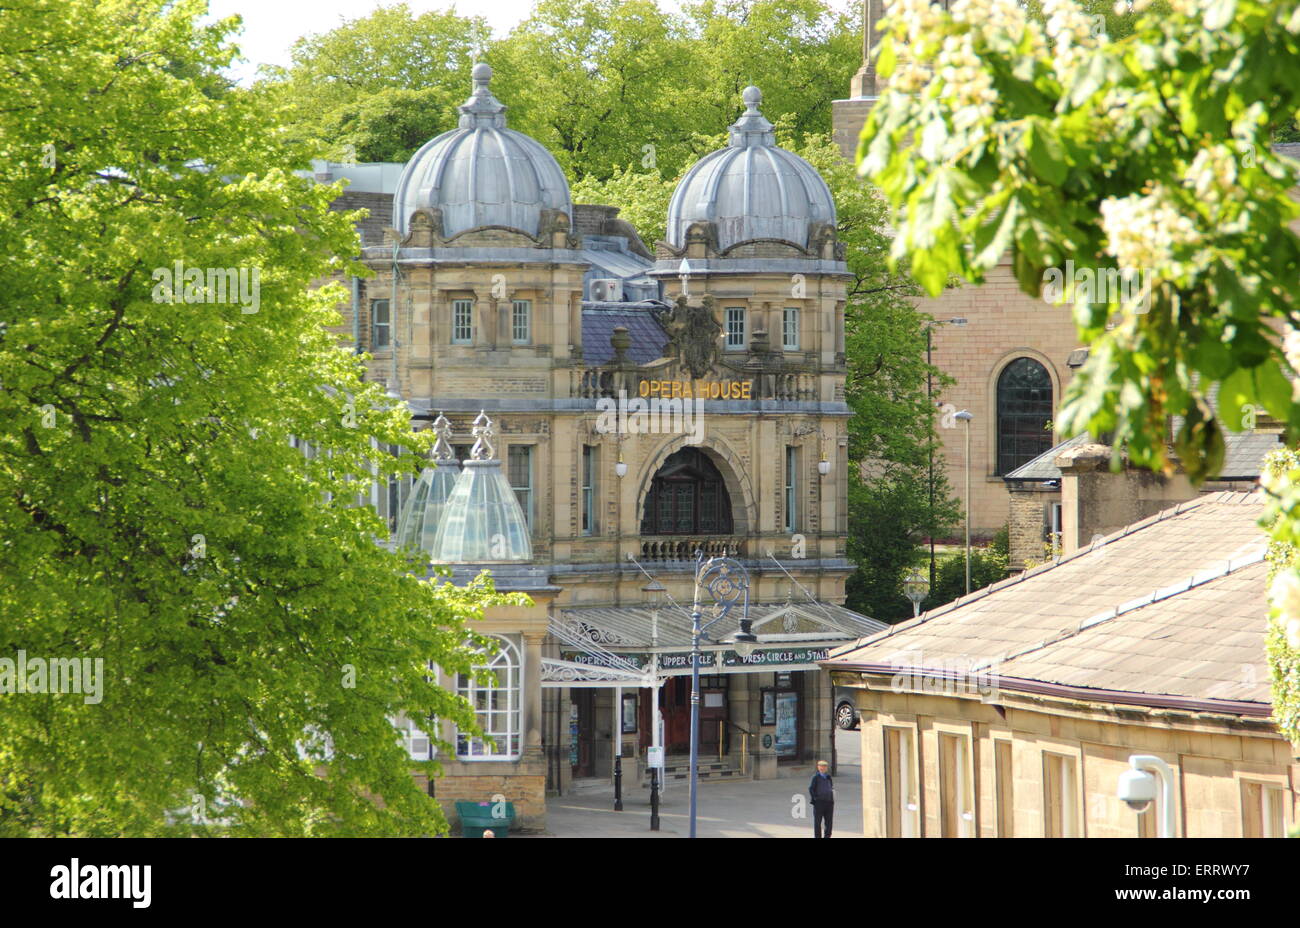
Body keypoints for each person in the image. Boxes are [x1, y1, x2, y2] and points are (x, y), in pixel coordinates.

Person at [809, 760, 834, 838]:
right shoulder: (815, 777)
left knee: (829, 822)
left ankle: (827, 836)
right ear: (818, 767)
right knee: (817, 822)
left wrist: (832, 800)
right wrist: (815, 799)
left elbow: (831, 787)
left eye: (824, 766)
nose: (823, 768)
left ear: (826, 768)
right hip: (819, 803)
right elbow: (811, 789)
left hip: (829, 803)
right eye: (821, 766)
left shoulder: (828, 777)